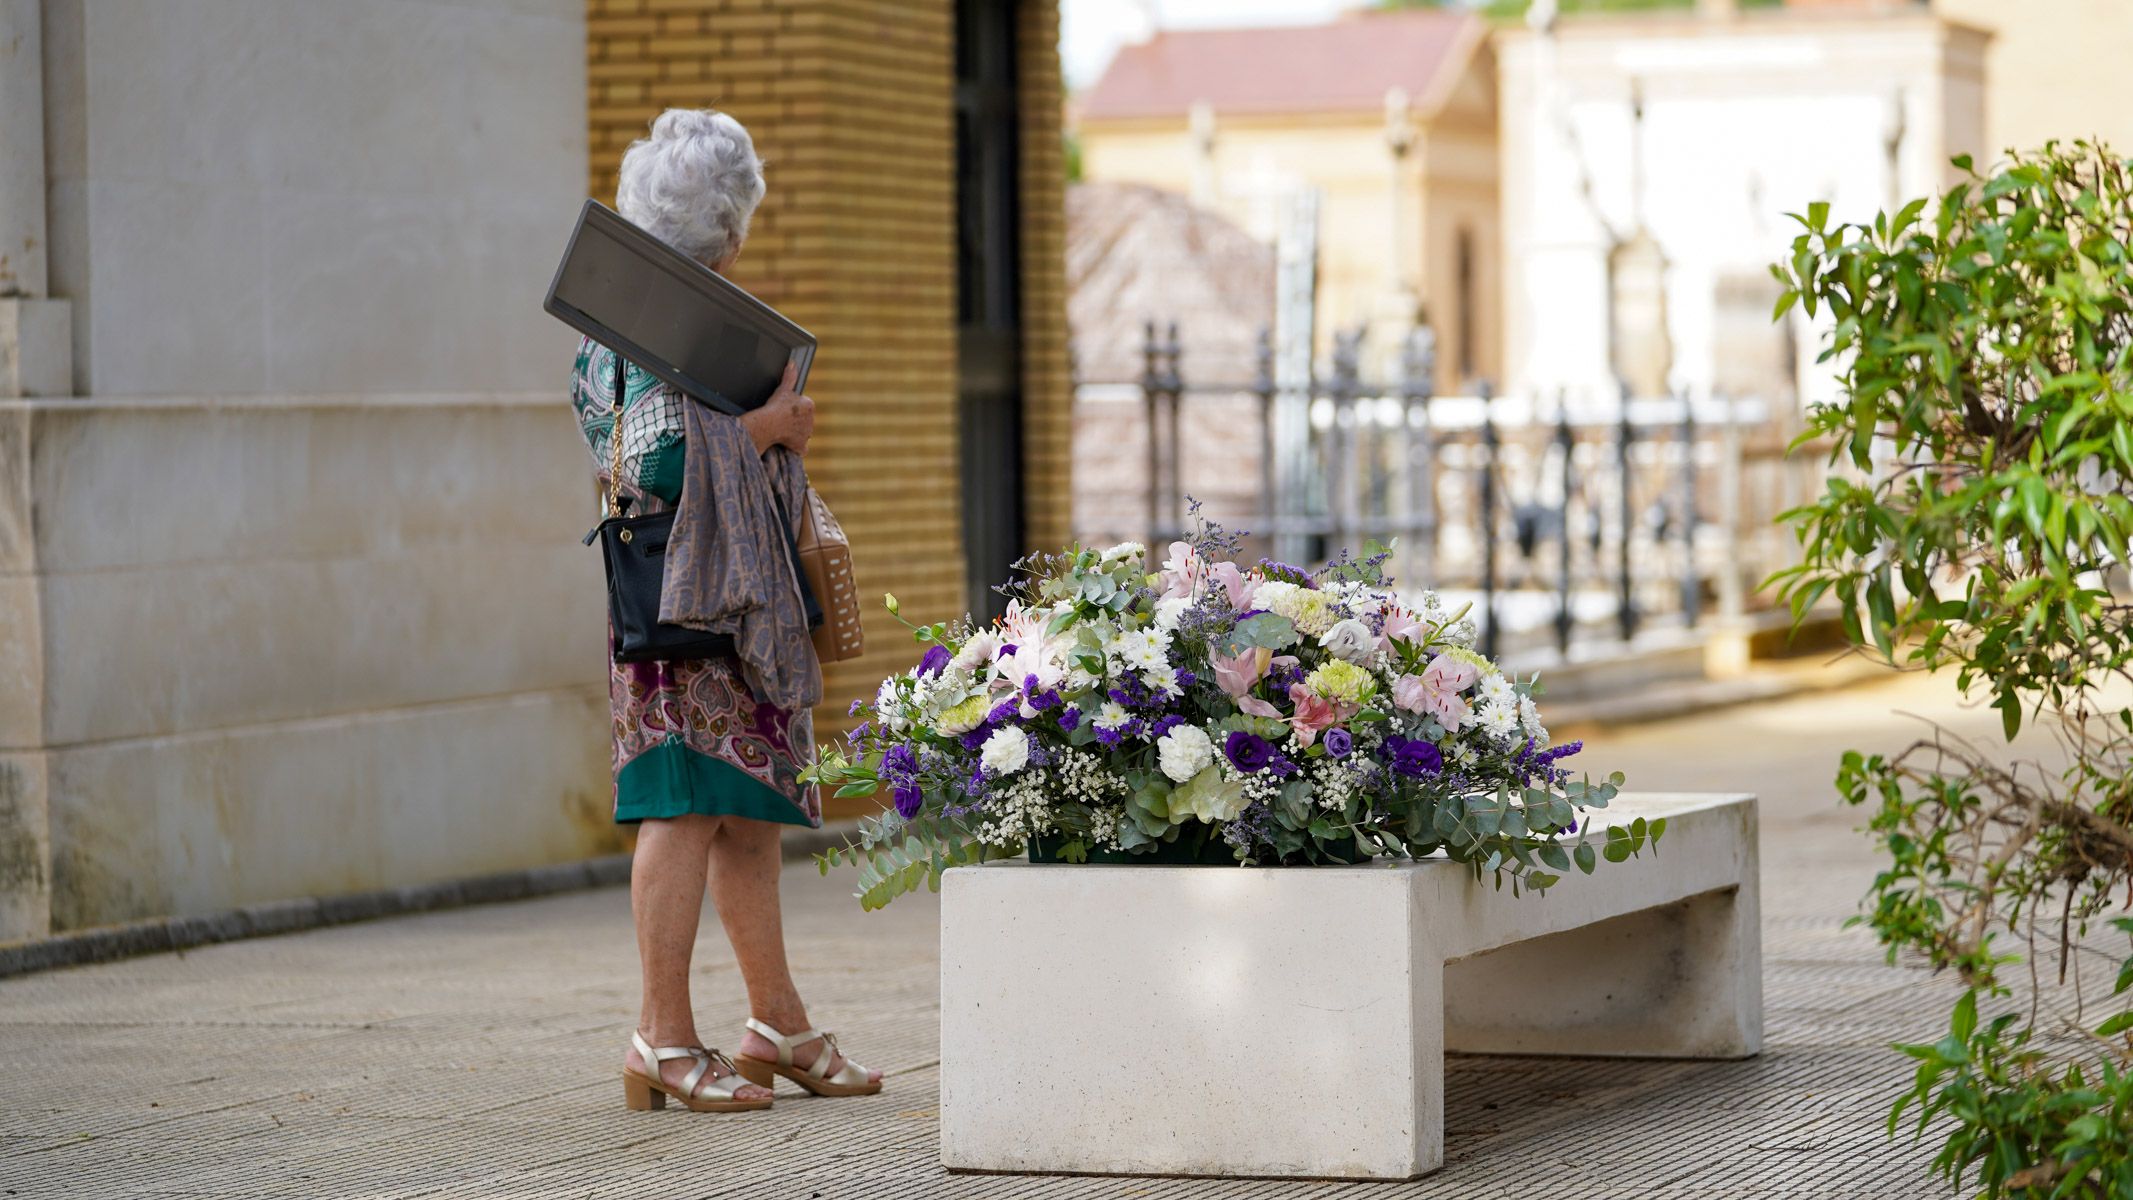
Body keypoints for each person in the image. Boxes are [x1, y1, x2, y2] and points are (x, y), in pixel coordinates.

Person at [569, 108, 882, 1114]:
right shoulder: (634, 331)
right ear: (730, 232)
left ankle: (776, 1024)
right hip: (676, 605)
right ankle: (661, 1039)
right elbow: (640, 463)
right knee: (680, 806)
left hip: (717, 601)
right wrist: (769, 427)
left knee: (746, 811)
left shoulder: (661, 317)